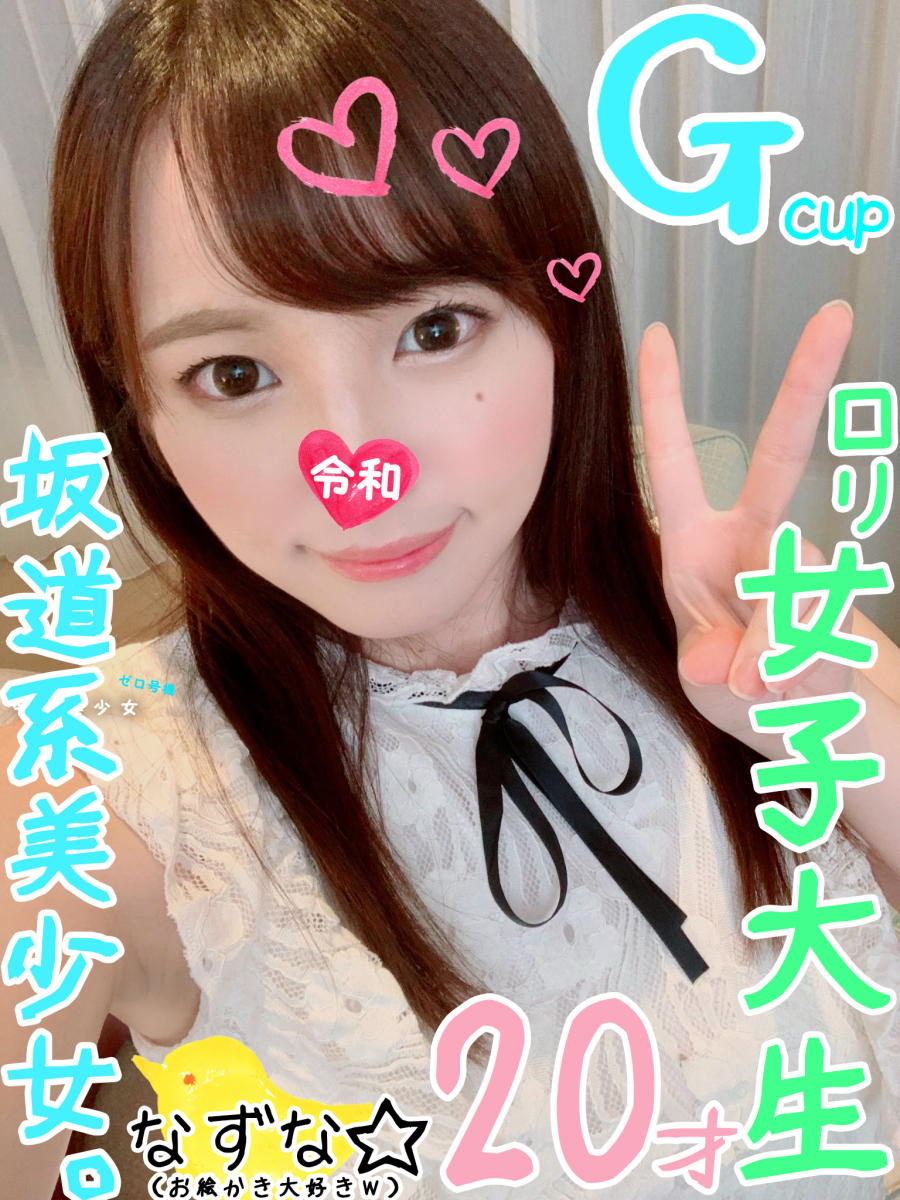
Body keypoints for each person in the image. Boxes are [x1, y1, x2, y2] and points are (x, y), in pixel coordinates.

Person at [2, 0, 900, 1195]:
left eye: (435, 327)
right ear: (140, 412)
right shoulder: (91, 792)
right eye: (234, 371)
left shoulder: (745, 628)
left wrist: (850, 727)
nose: (356, 470)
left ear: (558, 322)